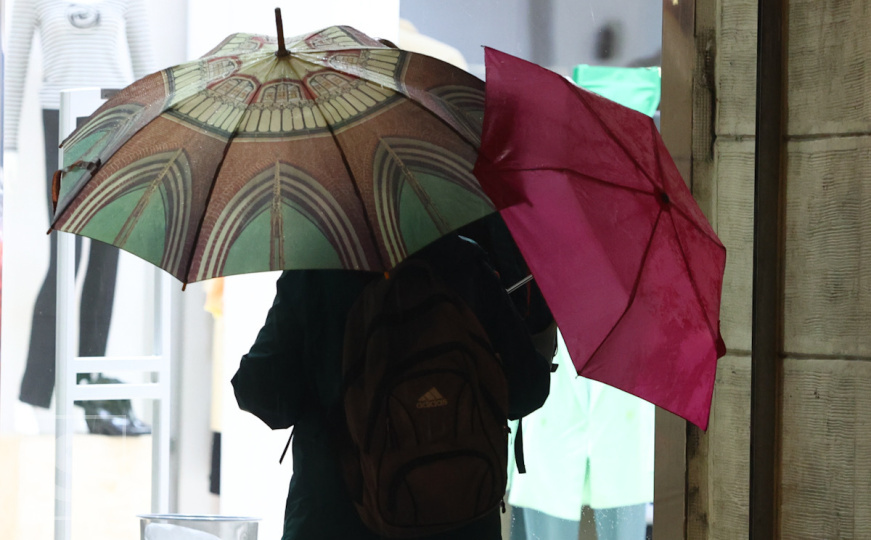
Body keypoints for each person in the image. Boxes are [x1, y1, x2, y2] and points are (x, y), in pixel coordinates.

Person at [232, 233, 552, 539]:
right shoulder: (465, 262)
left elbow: (264, 396)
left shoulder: (315, 270)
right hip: (460, 520)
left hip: (335, 520)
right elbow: (526, 391)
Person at [5, 0, 155, 434]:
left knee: (107, 256)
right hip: (60, 116)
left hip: (117, 117)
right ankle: (33, 394)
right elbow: (14, 72)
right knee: (65, 257)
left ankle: (90, 395)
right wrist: (7, 147)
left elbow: (150, 71)